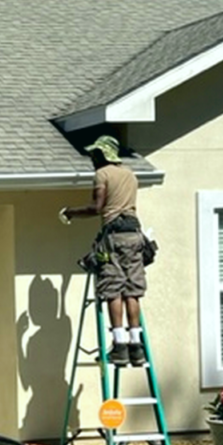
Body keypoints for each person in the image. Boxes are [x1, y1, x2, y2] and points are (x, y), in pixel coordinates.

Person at [61, 135, 147, 367]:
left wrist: (71, 212)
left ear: (103, 154)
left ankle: (119, 347)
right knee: (132, 291)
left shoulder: (103, 174)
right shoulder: (130, 174)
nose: (92, 158)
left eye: (94, 154)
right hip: (135, 235)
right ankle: (136, 347)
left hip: (114, 237)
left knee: (113, 289)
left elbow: (96, 208)